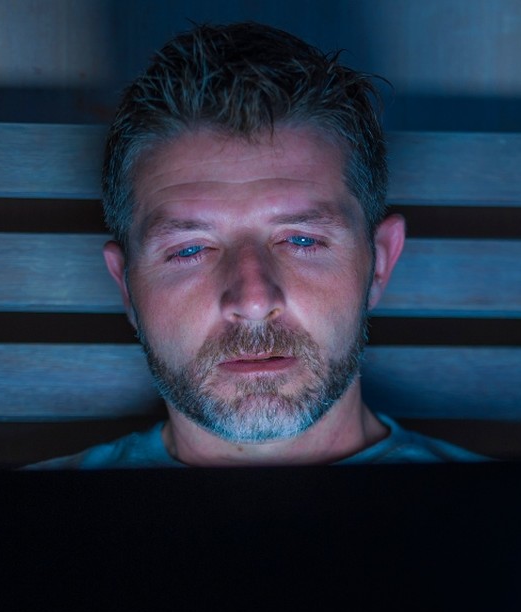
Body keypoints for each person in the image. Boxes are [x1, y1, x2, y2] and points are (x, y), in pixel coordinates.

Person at [35, 22, 486, 468]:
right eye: (189, 249)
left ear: (381, 263)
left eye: (303, 240)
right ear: (126, 287)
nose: (252, 301)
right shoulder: (18, 528)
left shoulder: (505, 525)